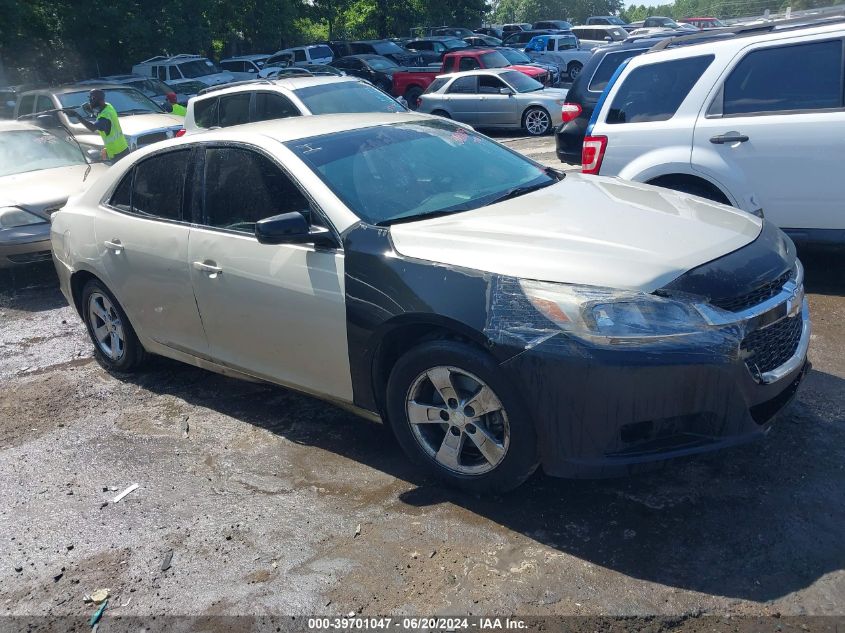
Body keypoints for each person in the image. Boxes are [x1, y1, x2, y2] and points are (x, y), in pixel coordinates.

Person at [74, 89, 130, 162]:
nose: (90, 102)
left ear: (97, 100)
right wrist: (91, 110)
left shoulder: (104, 117)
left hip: (117, 155)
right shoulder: (108, 106)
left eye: (91, 99)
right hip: (123, 149)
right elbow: (100, 112)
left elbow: (92, 127)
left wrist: (77, 116)